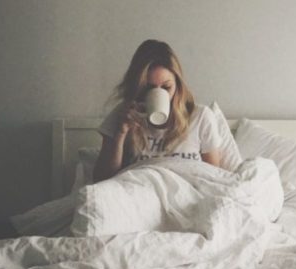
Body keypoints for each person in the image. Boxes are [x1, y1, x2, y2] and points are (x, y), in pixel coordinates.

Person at [93, 40, 222, 182]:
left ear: (178, 85)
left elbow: (214, 179)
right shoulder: (123, 114)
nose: (159, 93)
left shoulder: (200, 117)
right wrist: (120, 134)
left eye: (166, 87)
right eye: (149, 88)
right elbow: (101, 180)